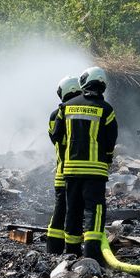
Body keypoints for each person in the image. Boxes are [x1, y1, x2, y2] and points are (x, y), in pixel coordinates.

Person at [50, 66, 119, 267]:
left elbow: (56, 136)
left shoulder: (66, 107)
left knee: (73, 210)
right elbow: (110, 139)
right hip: (95, 171)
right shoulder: (106, 109)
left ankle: (70, 253)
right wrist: (107, 158)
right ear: (102, 84)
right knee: (94, 210)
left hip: (70, 170)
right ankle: (92, 254)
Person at [44, 74, 82, 256]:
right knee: (73, 212)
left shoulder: (57, 114)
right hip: (77, 174)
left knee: (60, 211)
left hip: (62, 172)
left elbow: (54, 137)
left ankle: (53, 249)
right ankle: (72, 250)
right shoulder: (78, 113)